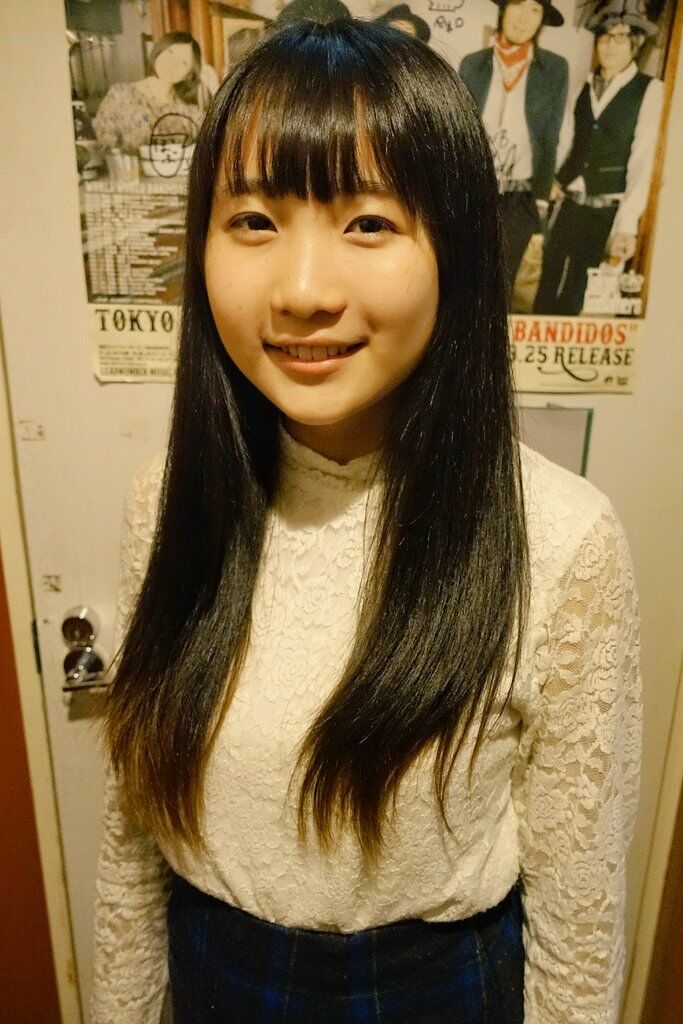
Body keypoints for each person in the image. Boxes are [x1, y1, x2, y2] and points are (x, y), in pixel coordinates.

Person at [90, 17, 642, 1024]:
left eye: (369, 224)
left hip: (436, 991)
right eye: (252, 220)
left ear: (455, 250)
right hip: (215, 974)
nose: (302, 291)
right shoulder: (165, 495)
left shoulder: (564, 539)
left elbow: (580, 918)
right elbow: (132, 837)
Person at [533, 0, 663, 315]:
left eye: (620, 38)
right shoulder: (584, 86)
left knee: (581, 298)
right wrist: (552, 181)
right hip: (568, 207)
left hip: (606, 214)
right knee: (546, 286)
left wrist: (627, 225)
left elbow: (643, 162)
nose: (610, 46)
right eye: (605, 37)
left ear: (635, 44)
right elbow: (567, 142)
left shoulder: (649, 91)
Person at [458, 0, 568, 295]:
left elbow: (551, 136)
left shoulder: (554, 68)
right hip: (476, 192)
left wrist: (541, 202)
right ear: (504, 9)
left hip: (521, 198)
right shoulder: (472, 64)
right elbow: (459, 130)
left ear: (542, 20)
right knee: (467, 282)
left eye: (535, 10)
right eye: (518, 4)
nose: (524, 18)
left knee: (503, 288)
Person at [92, 31, 206, 151]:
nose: (173, 63)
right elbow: (103, 146)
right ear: (159, 51)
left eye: (183, 62)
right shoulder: (120, 95)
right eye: (171, 52)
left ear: (188, 74)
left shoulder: (190, 112)